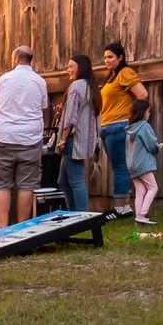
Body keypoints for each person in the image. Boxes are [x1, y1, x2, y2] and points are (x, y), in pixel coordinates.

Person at [0, 46, 49, 228]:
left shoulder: (4, 79)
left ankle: (2, 227)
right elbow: (43, 109)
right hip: (30, 138)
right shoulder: (39, 82)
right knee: (27, 184)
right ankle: (21, 226)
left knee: (1, 183)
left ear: (15, 59)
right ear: (31, 60)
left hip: (4, 136)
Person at [100, 44, 148, 208]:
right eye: (105, 57)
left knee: (120, 168)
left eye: (110, 57)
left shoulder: (125, 73)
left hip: (118, 126)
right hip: (107, 127)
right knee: (119, 167)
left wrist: (132, 119)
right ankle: (125, 206)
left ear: (120, 57)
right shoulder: (111, 76)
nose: (107, 60)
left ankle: (120, 207)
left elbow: (142, 94)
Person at [54, 55, 99, 212]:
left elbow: (72, 118)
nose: (68, 69)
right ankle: (73, 215)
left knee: (76, 181)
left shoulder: (77, 85)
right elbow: (81, 112)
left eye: (71, 66)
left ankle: (81, 217)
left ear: (81, 67)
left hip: (73, 139)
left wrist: (63, 140)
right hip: (84, 138)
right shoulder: (89, 85)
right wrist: (62, 109)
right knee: (63, 181)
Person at [127, 99, 161, 224]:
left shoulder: (130, 129)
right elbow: (152, 145)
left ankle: (138, 219)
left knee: (141, 190)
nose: (149, 114)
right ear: (142, 113)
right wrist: (158, 147)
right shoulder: (144, 126)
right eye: (148, 111)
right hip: (143, 165)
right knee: (153, 187)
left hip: (132, 165)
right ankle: (141, 215)